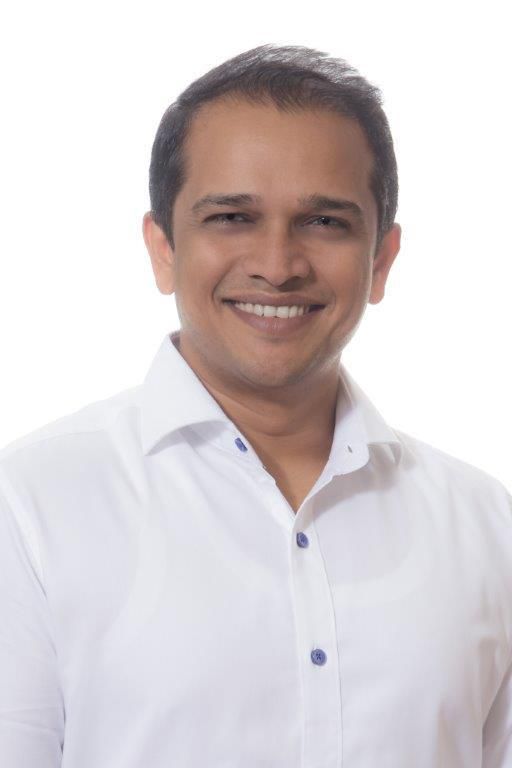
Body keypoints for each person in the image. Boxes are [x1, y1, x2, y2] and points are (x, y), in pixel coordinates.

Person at [0, 43, 510, 768]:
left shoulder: (488, 527)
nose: (277, 265)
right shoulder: (29, 509)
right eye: (233, 217)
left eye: (325, 222)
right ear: (163, 248)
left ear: (381, 259)